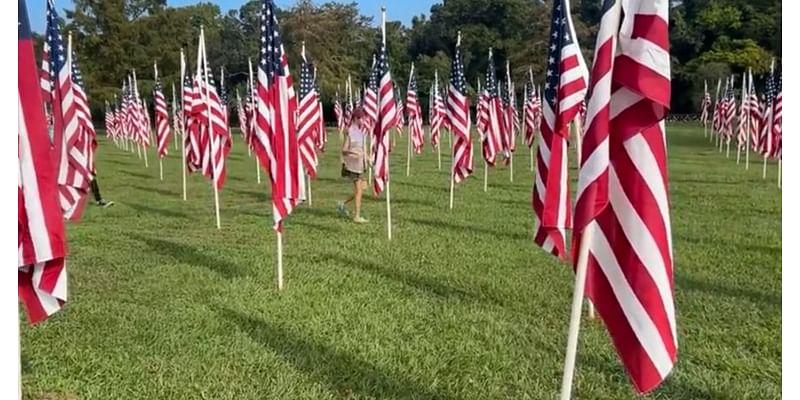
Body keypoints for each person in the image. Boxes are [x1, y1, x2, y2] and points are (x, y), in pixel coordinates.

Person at [337, 107, 370, 223]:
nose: (363, 121)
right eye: (362, 118)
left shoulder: (361, 132)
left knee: (363, 187)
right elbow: (344, 150)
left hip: (360, 165)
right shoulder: (350, 131)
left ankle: (342, 204)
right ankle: (357, 216)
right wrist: (354, 153)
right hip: (353, 165)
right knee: (359, 191)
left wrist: (368, 159)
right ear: (356, 118)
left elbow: (362, 149)